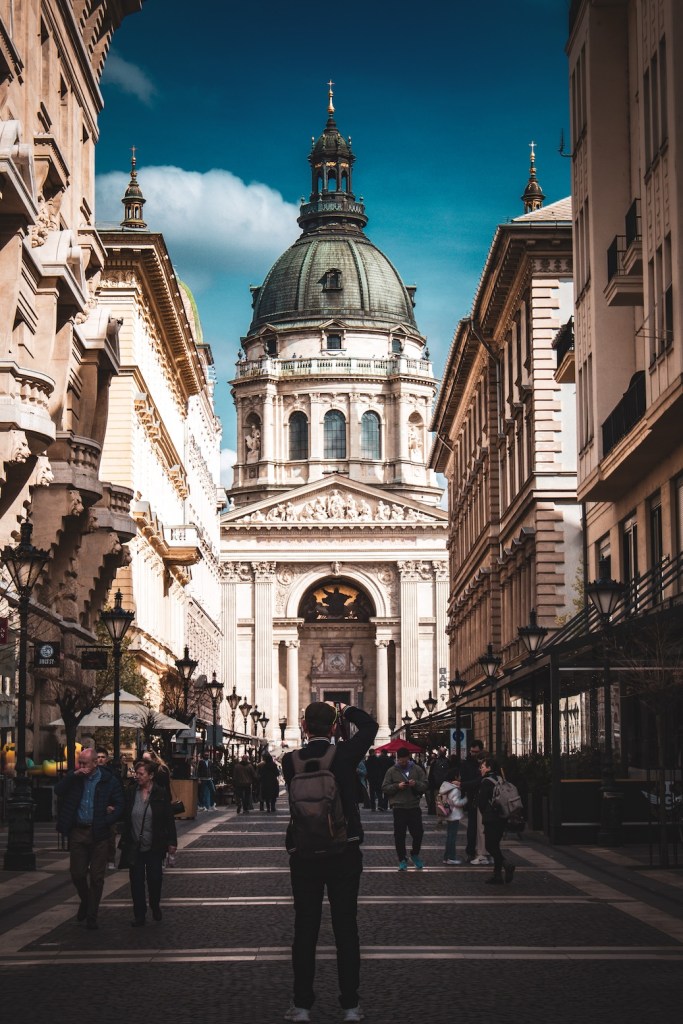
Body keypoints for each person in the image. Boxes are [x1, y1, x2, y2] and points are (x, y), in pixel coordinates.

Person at [282, 700, 378, 1023]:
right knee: (346, 929)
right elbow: (371, 727)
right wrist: (347, 709)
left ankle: (302, 1005)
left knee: (304, 930)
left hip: (305, 854)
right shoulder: (345, 756)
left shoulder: (289, 761)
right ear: (334, 727)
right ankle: (350, 1005)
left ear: (304, 727)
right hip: (343, 852)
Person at [55, 746, 124, 929]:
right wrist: (72, 775)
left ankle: (92, 915)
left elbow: (119, 805)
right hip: (78, 830)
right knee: (77, 873)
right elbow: (58, 791)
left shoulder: (108, 780)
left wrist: (106, 820)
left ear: (95, 763)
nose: (82, 766)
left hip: (99, 832)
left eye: (85, 763)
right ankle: (86, 901)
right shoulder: (76, 778)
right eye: (80, 762)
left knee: (97, 877)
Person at [120, 759, 178, 925]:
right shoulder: (131, 792)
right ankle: (139, 914)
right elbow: (124, 814)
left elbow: (169, 820)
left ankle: (154, 904)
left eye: (141, 774)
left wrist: (172, 842)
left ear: (151, 776)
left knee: (155, 879)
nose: (137, 777)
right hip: (134, 845)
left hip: (155, 845)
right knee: (136, 882)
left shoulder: (160, 793)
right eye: (135, 773)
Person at [382, 746, 428, 870]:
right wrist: (397, 786)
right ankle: (402, 859)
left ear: (408, 758)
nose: (402, 762)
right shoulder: (392, 771)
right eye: (400, 760)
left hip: (413, 806)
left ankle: (414, 854)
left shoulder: (417, 769)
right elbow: (385, 787)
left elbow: (425, 785)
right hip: (399, 807)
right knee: (399, 835)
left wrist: (415, 784)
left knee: (418, 833)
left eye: (404, 760)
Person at [477, 757, 515, 885]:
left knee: (490, 846)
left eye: (482, 767)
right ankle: (497, 875)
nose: (480, 769)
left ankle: (506, 864)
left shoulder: (486, 782)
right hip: (502, 816)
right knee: (496, 844)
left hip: (491, 818)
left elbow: (482, 802)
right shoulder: (500, 779)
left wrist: (484, 813)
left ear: (489, 768)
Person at [460, 739, 489, 864]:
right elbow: (468, 781)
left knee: (484, 828)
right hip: (473, 799)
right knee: (472, 827)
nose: (473, 754)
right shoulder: (466, 763)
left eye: (476, 752)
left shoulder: (486, 762)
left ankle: (484, 851)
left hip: (485, 799)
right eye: (472, 751)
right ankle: (471, 852)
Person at [438, 768, 467, 864]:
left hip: (448, 814)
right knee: (452, 837)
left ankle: (446, 857)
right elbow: (457, 802)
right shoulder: (454, 789)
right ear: (455, 777)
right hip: (454, 814)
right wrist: (466, 799)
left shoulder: (446, 786)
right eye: (459, 775)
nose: (460, 777)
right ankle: (451, 857)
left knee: (449, 836)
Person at [95, 747, 118, 870]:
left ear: (107, 759)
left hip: (108, 812)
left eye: (102, 757)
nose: (100, 759)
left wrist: (113, 806)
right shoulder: (91, 773)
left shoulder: (112, 774)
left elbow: (117, 793)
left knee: (110, 837)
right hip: (96, 811)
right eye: (98, 757)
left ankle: (110, 859)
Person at [427, 746, 451, 815]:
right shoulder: (448, 762)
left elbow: (431, 775)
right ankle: (445, 813)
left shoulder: (434, 762)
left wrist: (430, 785)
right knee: (446, 800)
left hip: (436, 786)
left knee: (437, 800)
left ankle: (439, 815)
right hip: (446, 785)